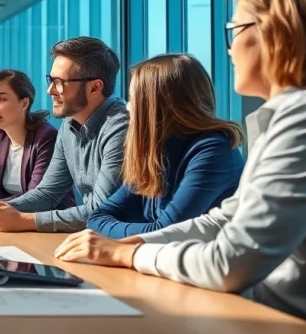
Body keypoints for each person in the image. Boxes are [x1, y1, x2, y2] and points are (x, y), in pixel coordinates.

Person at [54, 0, 306, 334]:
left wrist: (128, 255)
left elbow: (231, 262)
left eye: (234, 30)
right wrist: (135, 243)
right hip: (282, 326)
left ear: (278, 34)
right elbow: (225, 219)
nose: (231, 49)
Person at [85, 54, 244, 239]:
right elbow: (96, 218)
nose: (128, 108)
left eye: (133, 98)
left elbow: (167, 232)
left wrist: (118, 236)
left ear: (155, 107)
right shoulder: (156, 151)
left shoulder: (214, 151)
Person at [0, 37, 128, 233]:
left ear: (95, 87)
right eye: (51, 80)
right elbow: (47, 193)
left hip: (125, 240)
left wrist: (26, 220)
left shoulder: (120, 127)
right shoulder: (68, 127)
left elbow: (101, 210)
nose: (50, 90)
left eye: (60, 82)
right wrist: (3, 208)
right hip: (92, 236)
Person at [0, 69, 73, 213]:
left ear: (24, 103)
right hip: (9, 218)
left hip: (47, 221)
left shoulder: (46, 137)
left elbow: (35, 196)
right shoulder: (0, 137)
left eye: (2, 99)